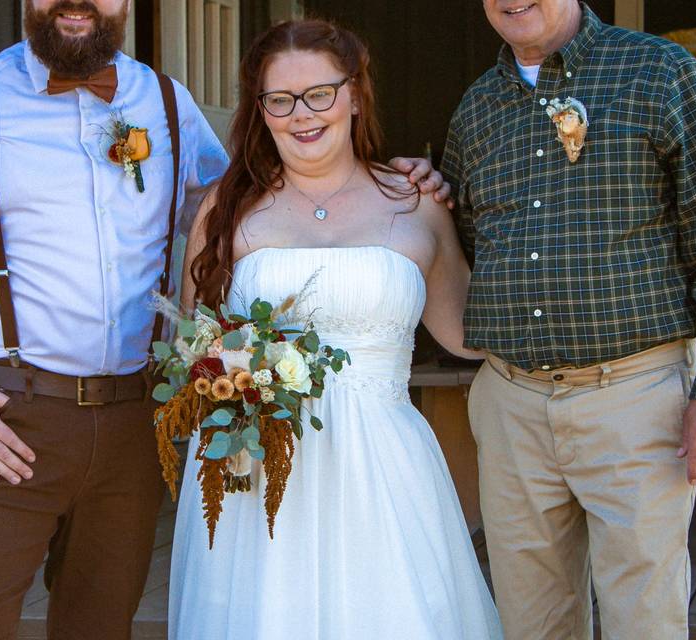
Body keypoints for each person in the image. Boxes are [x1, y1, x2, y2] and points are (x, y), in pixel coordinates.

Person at [0, 2, 446, 637]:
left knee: (101, 627)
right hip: (7, 420)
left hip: (137, 421)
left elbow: (256, 211)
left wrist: (395, 186)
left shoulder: (168, 104)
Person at [440, 1, 696, 638]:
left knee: (643, 619)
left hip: (635, 398)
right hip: (511, 404)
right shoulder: (476, 107)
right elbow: (463, 242)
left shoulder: (658, 72)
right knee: (531, 623)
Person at [170, 19, 502, 640]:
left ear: (355, 94)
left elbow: (465, 334)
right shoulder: (226, 208)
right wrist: (236, 376)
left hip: (383, 466)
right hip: (256, 472)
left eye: (320, 93)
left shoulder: (416, 200)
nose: (302, 114)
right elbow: (193, 349)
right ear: (261, 111)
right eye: (280, 100)